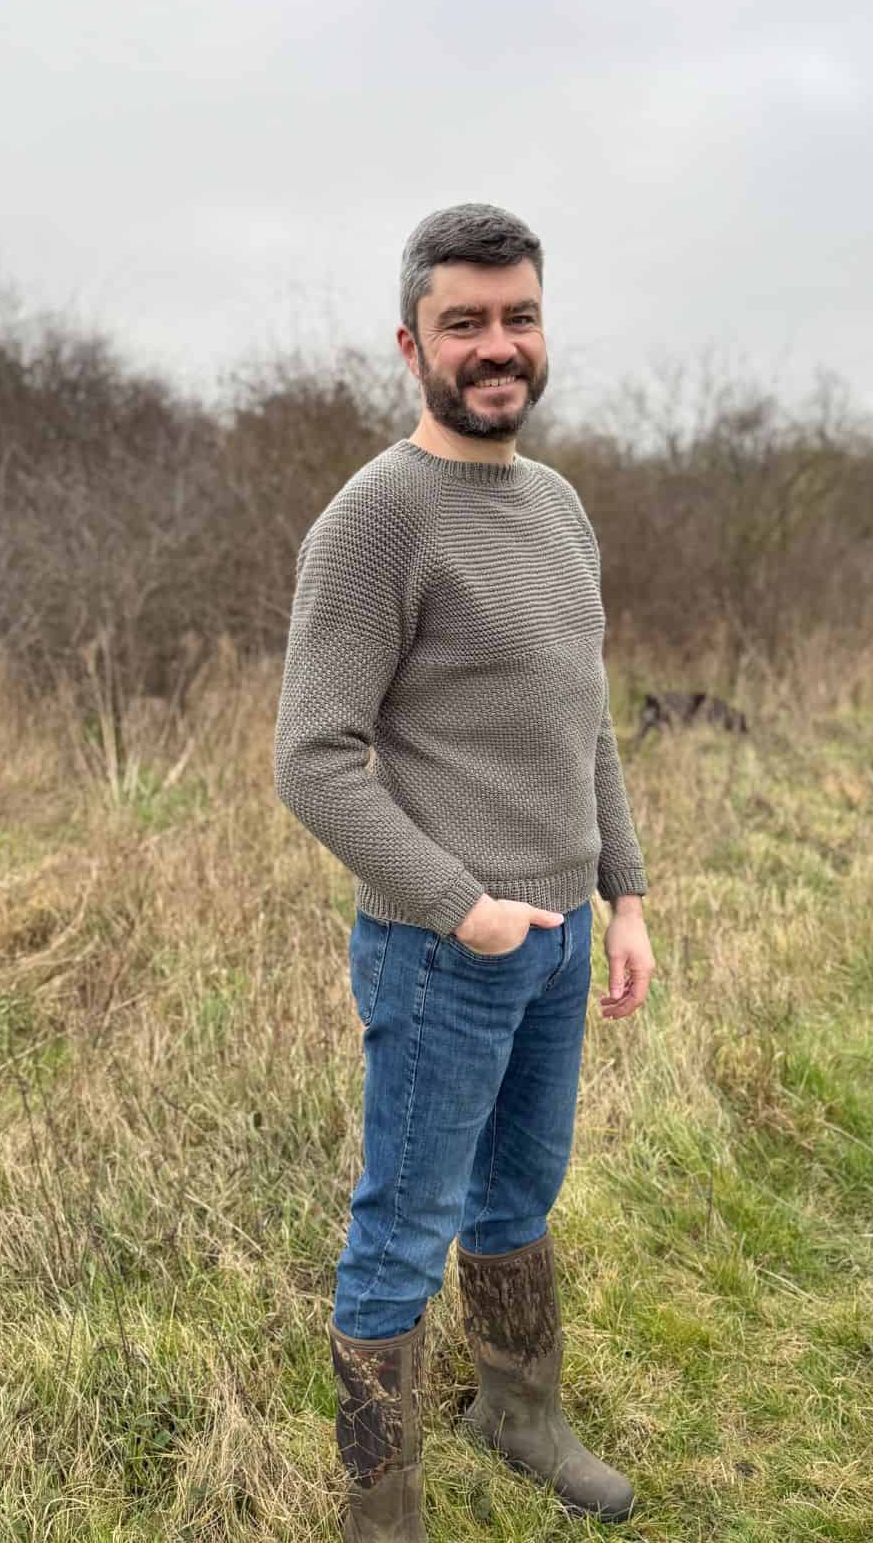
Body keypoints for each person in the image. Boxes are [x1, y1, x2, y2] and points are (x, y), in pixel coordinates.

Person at [273, 203, 655, 1539]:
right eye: (466, 324)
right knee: (402, 1225)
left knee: (520, 1194)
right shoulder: (375, 522)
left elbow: (584, 714)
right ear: (411, 343)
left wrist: (626, 894)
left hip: (557, 940)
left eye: (520, 318)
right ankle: (383, 1508)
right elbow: (312, 760)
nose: (499, 347)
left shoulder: (556, 506)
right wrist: (465, 907)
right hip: (446, 950)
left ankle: (519, 1410)